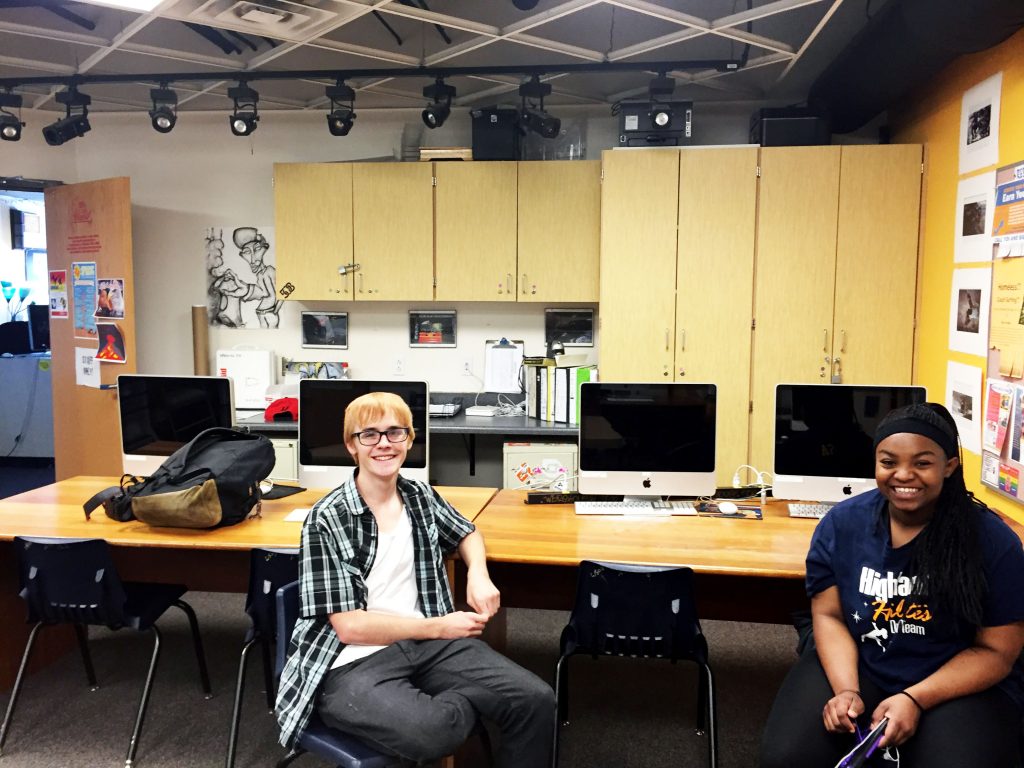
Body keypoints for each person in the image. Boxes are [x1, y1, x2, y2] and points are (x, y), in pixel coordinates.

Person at [275, 392, 554, 767]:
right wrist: (438, 627)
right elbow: (350, 627)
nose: (384, 444)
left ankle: (449, 700)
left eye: (395, 432)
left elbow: (467, 532)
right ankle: (459, 702)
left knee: (536, 700)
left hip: (426, 645)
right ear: (350, 446)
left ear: (410, 439)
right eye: (369, 435)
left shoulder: (418, 495)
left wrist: (478, 573)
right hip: (352, 661)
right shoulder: (327, 518)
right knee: (434, 731)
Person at [760, 402, 1024, 768]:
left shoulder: (992, 541)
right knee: (786, 758)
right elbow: (830, 615)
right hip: (863, 663)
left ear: (948, 466)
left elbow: (998, 651)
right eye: (888, 462)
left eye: (922, 463)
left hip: (953, 679)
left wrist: (914, 699)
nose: (903, 475)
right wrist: (846, 691)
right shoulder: (842, 525)